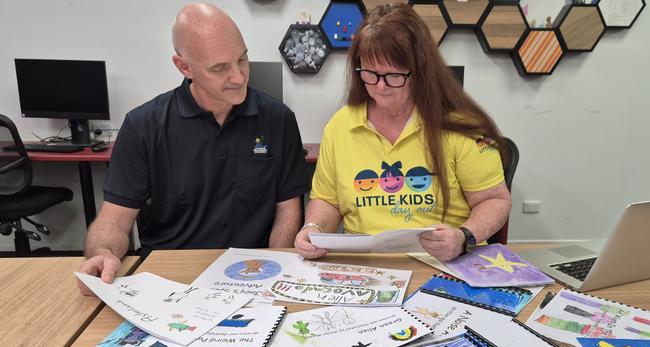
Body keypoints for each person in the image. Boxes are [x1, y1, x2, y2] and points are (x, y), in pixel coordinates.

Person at [78, 3, 309, 295]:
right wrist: (103, 253)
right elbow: (113, 221)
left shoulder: (279, 119)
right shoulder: (143, 126)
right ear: (184, 67)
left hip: (254, 273)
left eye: (242, 59)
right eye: (220, 68)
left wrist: (275, 274)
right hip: (170, 276)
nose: (239, 77)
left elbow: (287, 212)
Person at [294, 4, 511, 261]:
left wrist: (464, 236)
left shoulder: (460, 125)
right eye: (370, 74)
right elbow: (328, 201)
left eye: (394, 75)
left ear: (421, 70)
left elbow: (495, 200)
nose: (381, 87)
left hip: (446, 263)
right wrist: (313, 229)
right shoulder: (340, 127)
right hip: (367, 266)